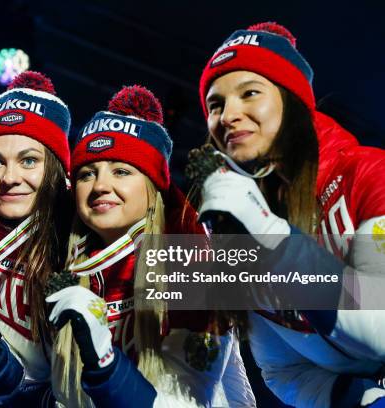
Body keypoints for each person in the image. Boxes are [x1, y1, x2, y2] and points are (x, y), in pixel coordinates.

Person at [198, 22, 385, 408]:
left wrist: (272, 236)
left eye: (250, 93)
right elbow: (283, 370)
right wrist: (359, 399)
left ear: (293, 100)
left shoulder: (369, 175)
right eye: (216, 104)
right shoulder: (236, 231)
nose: (229, 114)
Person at [46, 85, 255, 407]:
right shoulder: (68, 272)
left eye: (121, 171)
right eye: (87, 174)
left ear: (153, 187)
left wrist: (106, 364)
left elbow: (189, 401)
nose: (100, 186)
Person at [0, 71, 73, 406]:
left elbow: (221, 298)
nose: (9, 178)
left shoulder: (84, 236)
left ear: (56, 169)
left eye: (29, 160)